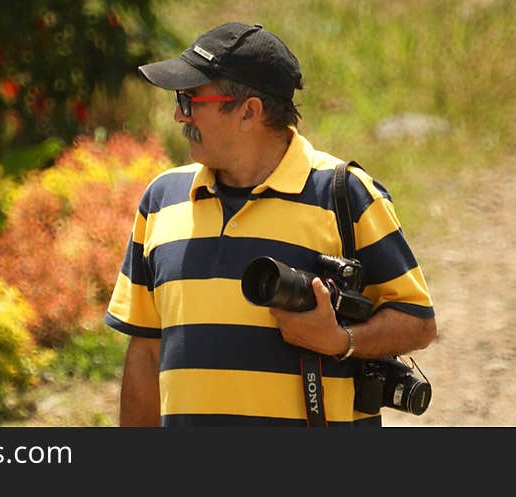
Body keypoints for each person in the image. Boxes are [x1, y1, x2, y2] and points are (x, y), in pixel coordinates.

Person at [104, 22, 436, 427]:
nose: (178, 115)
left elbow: (417, 321)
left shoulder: (343, 194)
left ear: (249, 112)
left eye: (190, 100)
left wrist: (341, 341)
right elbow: (145, 353)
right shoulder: (161, 200)